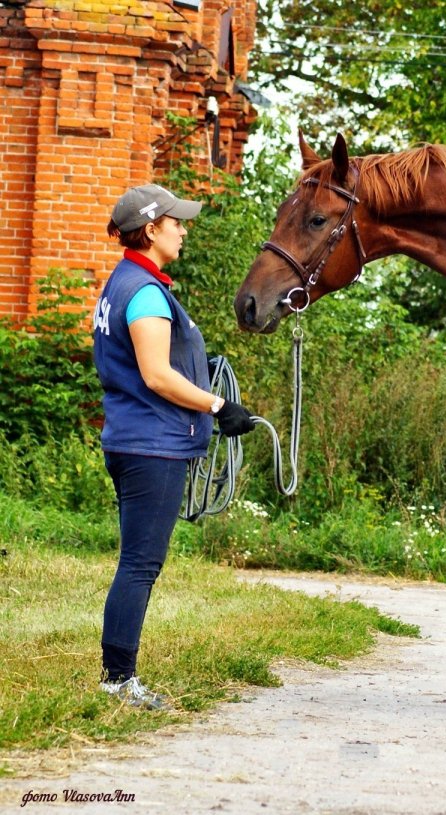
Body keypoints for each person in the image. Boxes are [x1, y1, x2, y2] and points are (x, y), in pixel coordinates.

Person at [92, 184, 256, 710]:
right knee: (140, 564)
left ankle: (117, 676)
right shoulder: (142, 292)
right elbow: (157, 375)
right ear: (152, 227)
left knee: (138, 561)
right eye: (176, 222)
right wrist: (216, 405)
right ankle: (118, 680)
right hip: (152, 446)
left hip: (138, 439)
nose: (183, 230)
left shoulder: (131, 284)